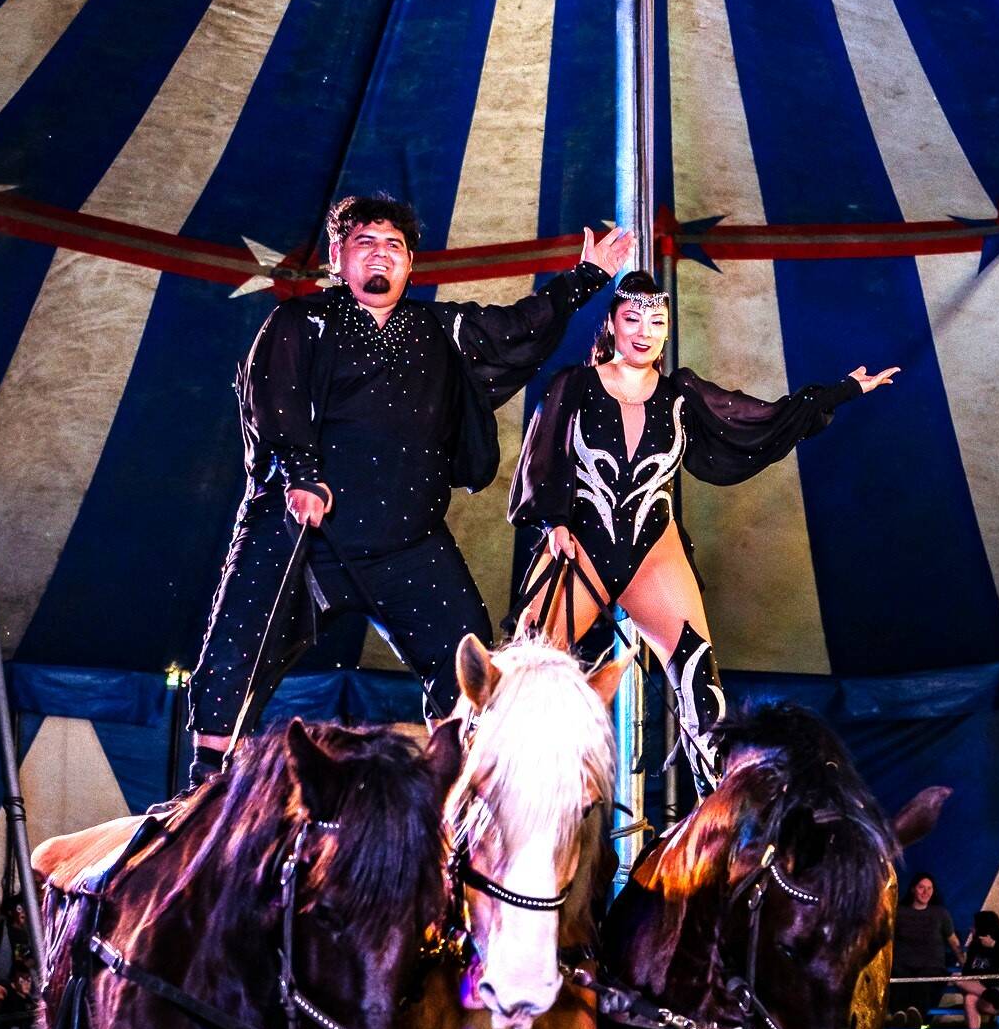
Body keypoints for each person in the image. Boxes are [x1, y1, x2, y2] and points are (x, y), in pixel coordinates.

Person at [187, 194, 632, 766]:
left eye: (393, 245)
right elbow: (275, 402)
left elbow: (519, 328)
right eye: (365, 242)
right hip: (303, 530)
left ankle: (453, 796)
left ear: (410, 263)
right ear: (337, 256)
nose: (381, 253)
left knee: (473, 671)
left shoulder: (439, 328)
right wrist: (302, 475)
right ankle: (206, 791)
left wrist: (587, 276)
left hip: (406, 541)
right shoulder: (300, 321)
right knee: (231, 662)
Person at [509, 270, 898, 789]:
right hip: (580, 546)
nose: (644, 331)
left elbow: (759, 419)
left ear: (667, 330)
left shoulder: (682, 395)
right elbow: (542, 459)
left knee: (699, 681)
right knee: (526, 672)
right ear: (612, 325)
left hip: (653, 553)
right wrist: (555, 521)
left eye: (656, 321)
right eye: (632, 319)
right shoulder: (573, 386)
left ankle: (718, 814)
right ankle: (509, 801)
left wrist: (840, 392)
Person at [888, 871, 961, 1026]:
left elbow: (954, 941)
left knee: (926, 981)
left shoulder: (940, 913)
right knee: (898, 979)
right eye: (921, 887)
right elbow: (887, 940)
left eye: (929, 888)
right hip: (902, 966)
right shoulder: (899, 912)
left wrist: (965, 966)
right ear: (913, 889)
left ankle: (917, 1017)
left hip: (931, 967)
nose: (925, 892)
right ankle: (899, 1016)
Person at [960, 908, 999, 1029]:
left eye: (975, 926)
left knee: (959, 982)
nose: (971, 928)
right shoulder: (974, 946)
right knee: (969, 997)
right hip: (984, 993)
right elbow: (967, 972)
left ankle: (995, 997)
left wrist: (994, 947)